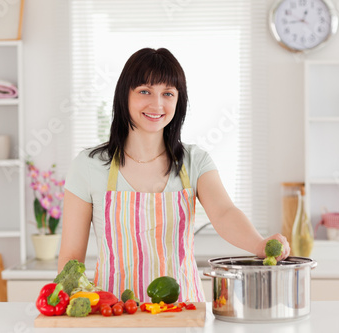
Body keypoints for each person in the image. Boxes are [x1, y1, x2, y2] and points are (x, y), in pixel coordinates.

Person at [58, 47, 290, 302]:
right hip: (115, 313)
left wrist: (259, 245)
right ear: (124, 95)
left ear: (179, 101)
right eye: (144, 91)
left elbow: (224, 213)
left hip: (183, 313)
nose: (157, 104)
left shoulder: (194, 161)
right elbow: (71, 257)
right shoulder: (89, 166)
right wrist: (70, 313)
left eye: (167, 93)